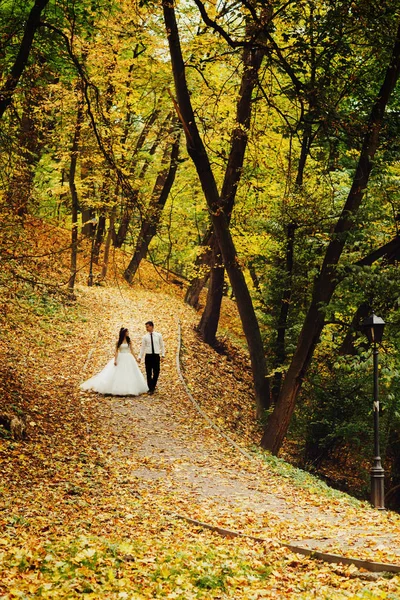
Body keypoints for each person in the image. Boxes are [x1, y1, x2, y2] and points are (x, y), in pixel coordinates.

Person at [80, 327, 148, 396]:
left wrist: (136, 358)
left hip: (128, 357)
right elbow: (116, 351)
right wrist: (115, 360)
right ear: (123, 333)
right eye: (127, 332)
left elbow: (132, 350)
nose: (128, 333)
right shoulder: (118, 342)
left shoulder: (129, 341)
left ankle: (129, 389)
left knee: (129, 372)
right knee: (119, 372)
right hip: (121, 357)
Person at [138, 321, 165, 394]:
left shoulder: (158, 335)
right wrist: (140, 356)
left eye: (148, 327)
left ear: (152, 326)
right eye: (146, 327)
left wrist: (163, 355)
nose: (146, 328)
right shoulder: (145, 337)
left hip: (156, 355)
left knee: (156, 371)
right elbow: (142, 348)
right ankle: (150, 388)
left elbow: (162, 345)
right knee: (148, 372)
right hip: (148, 356)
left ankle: (153, 384)